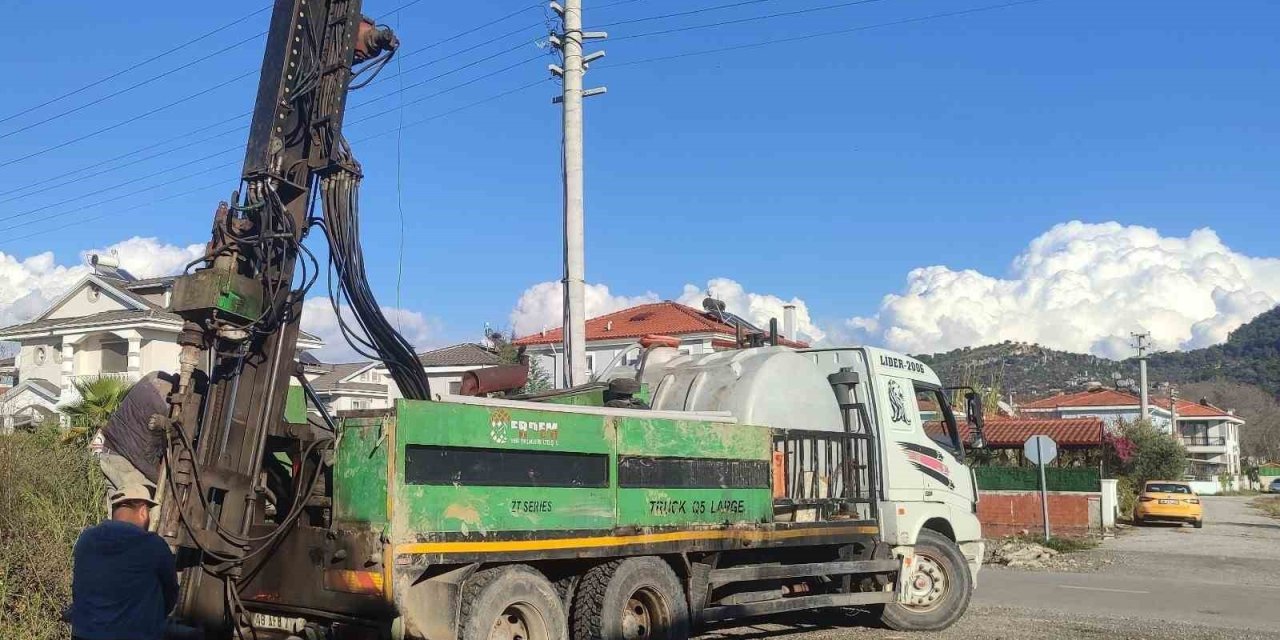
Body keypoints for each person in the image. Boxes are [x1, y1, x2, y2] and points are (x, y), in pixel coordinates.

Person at [69, 484, 178, 640]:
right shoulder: (153, 545)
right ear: (142, 512)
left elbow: (80, 586)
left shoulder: (86, 539)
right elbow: (170, 593)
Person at [99, 371, 177, 502]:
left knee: (117, 509)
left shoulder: (153, 376)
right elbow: (143, 455)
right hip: (128, 464)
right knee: (140, 509)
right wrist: (167, 484)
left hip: (109, 452)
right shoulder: (163, 404)